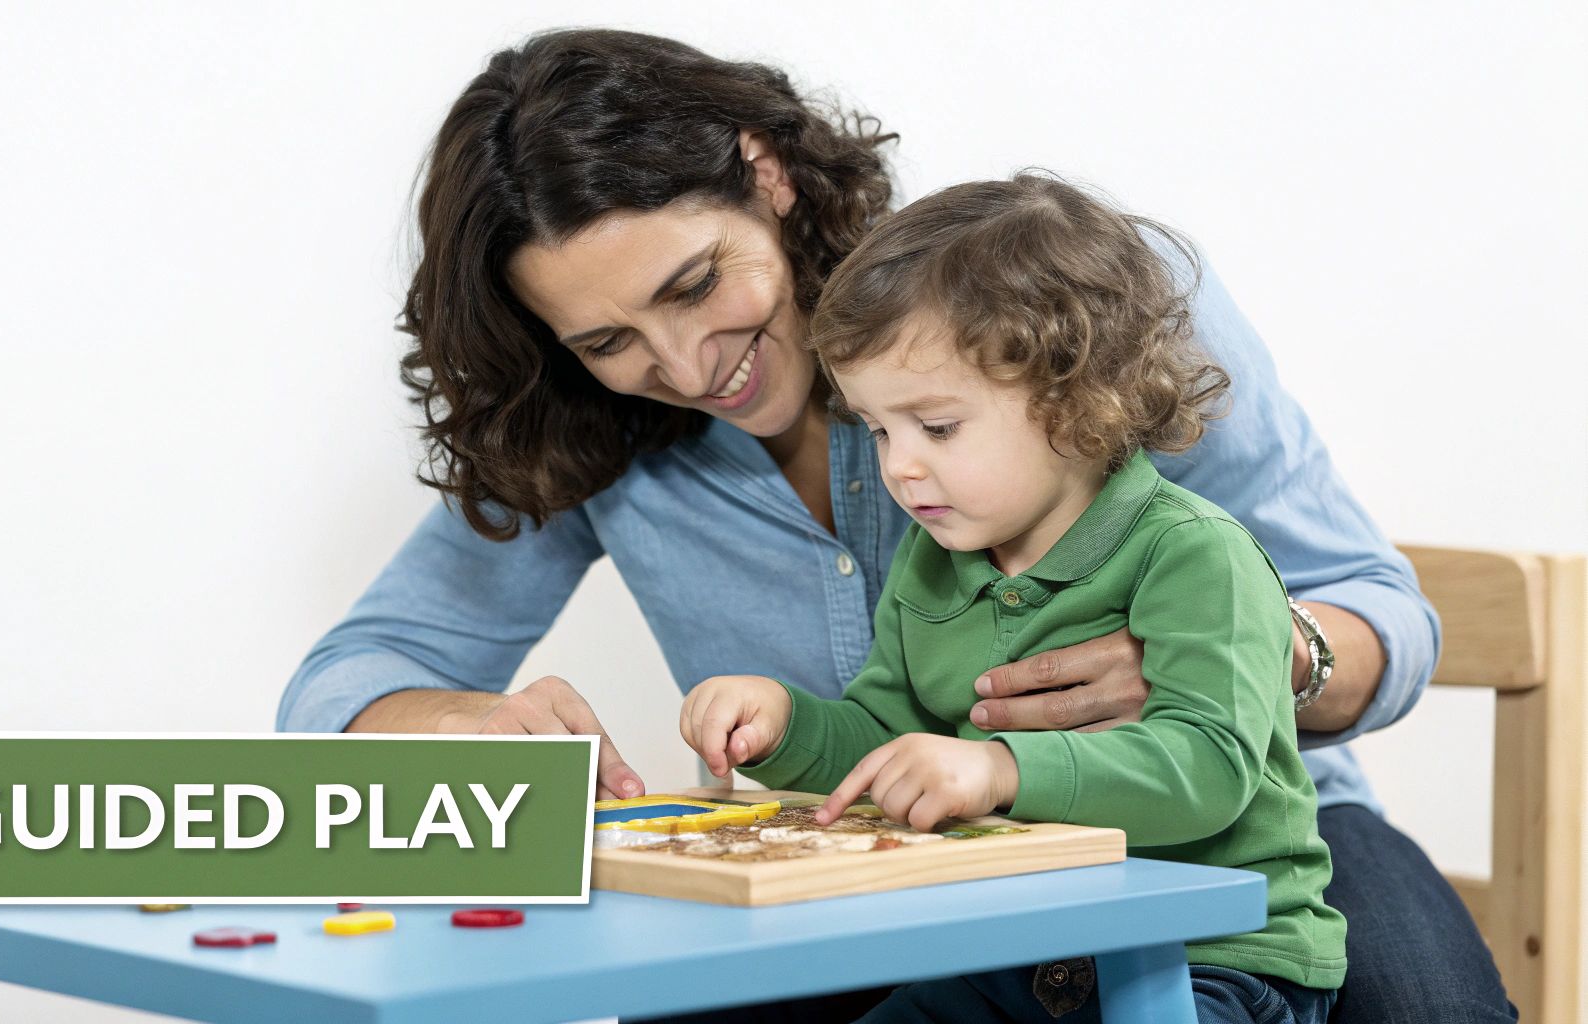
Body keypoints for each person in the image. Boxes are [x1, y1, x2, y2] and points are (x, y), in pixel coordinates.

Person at [276, 28, 1512, 1022]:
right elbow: (349, 678)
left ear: (765, 172)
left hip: (1234, 836)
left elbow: (1380, 609)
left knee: (1421, 1007)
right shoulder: (589, 435)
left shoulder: (1066, 306)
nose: (685, 364)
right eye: (607, 341)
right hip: (866, 868)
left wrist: (1242, 656)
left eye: (697, 284)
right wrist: (468, 721)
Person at [682, 174, 1343, 1022]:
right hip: (1007, 948)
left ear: (1076, 400)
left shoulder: (1196, 554)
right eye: (881, 429)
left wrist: (998, 768)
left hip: (1208, 956)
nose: (900, 467)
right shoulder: (932, 561)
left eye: (939, 427)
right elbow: (887, 739)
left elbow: (1206, 770)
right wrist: (784, 723)